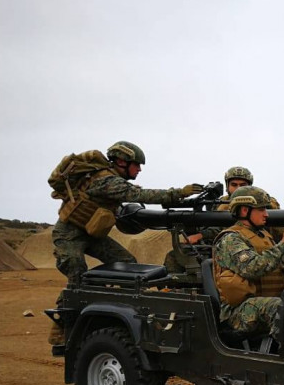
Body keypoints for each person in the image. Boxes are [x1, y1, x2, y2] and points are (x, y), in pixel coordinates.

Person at [48, 141, 201, 343]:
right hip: (68, 234)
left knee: (127, 263)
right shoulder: (107, 182)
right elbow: (138, 194)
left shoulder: (113, 181)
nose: (139, 169)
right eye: (136, 165)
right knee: (76, 274)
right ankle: (60, 325)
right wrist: (178, 193)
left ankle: (125, 312)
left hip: (92, 235)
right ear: (121, 162)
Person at [213, 186, 284, 337]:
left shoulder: (264, 236)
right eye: (261, 209)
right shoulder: (231, 239)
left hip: (262, 303)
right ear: (244, 211)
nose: (266, 214)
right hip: (238, 312)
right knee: (279, 307)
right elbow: (252, 268)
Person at [163, 165, 254, 273]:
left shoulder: (257, 203)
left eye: (243, 185)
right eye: (234, 185)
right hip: (216, 246)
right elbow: (212, 223)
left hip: (245, 246)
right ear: (227, 186)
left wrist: (201, 235)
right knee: (174, 256)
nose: (238, 188)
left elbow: (227, 228)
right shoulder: (219, 203)